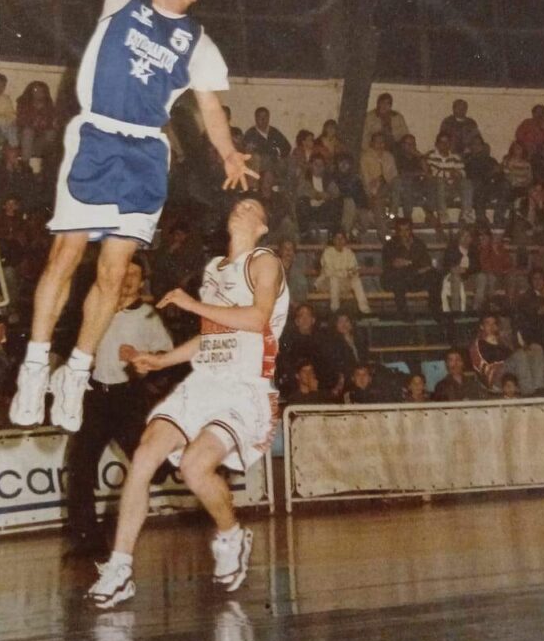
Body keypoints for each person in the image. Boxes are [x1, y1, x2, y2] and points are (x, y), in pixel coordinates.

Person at [9, 0, 255, 435]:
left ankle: (76, 371)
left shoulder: (198, 42)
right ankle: (36, 366)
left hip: (146, 153)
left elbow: (209, 107)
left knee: (114, 272)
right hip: (97, 135)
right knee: (67, 252)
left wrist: (228, 153)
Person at [86, 197, 289, 608]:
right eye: (238, 204)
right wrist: (162, 360)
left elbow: (257, 319)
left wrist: (190, 303)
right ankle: (120, 567)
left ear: (263, 227)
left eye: (252, 207)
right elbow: (212, 334)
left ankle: (231, 535)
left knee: (196, 467)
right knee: (144, 455)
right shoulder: (213, 269)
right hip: (203, 382)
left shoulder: (265, 262)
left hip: (244, 388)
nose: (241, 208)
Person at [66, 254, 174, 556]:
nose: (127, 279)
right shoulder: (97, 308)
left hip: (129, 399)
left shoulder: (148, 316)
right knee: (80, 466)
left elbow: (166, 358)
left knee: (152, 467)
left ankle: (173, 461)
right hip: (96, 398)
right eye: (124, 272)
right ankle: (88, 540)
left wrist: (141, 359)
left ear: (142, 282)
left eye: (134, 275)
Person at [469, 313, 544, 396]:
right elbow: (484, 365)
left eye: (494, 324)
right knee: (520, 355)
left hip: (509, 371)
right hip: (494, 378)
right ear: (482, 326)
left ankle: (538, 388)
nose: (491, 327)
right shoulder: (478, 344)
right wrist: (494, 344)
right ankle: (528, 393)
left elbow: (510, 355)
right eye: (488, 323)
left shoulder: (500, 340)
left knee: (536, 348)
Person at [382, 218, 441, 322]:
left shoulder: (419, 244)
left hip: (415, 278)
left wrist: (410, 265)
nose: (404, 233)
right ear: (397, 231)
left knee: (434, 275)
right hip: (399, 279)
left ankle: (435, 310)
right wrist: (400, 265)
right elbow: (388, 265)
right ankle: (404, 313)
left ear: (411, 230)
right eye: (401, 230)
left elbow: (426, 264)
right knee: (398, 277)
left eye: (407, 230)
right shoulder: (390, 245)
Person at [314, 230, 371, 315]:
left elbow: (354, 270)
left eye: (342, 238)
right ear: (333, 240)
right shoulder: (328, 252)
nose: (340, 241)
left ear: (345, 240)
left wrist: (349, 273)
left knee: (356, 280)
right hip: (326, 283)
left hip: (343, 283)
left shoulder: (349, 252)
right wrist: (346, 273)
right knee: (334, 279)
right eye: (337, 238)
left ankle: (365, 310)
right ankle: (335, 310)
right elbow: (329, 272)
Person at [425, 133, 473, 227]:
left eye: (447, 142)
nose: (445, 145)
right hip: (437, 189)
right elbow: (433, 173)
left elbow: (462, 172)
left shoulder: (455, 157)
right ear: (437, 144)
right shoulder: (431, 156)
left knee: (467, 182)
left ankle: (466, 215)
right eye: (442, 142)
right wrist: (449, 173)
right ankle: (443, 216)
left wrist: (458, 174)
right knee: (440, 181)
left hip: (452, 188)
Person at [243, 107, 291, 172]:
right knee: (267, 162)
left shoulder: (274, 132)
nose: (263, 119)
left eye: (265, 117)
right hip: (261, 165)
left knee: (291, 163)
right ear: (256, 118)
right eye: (260, 117)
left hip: (277, 162)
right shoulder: (250, 134)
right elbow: (250, 153)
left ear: (268, 118)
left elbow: (287, 146)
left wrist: (280, 156)